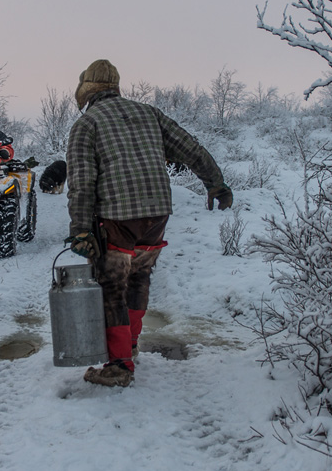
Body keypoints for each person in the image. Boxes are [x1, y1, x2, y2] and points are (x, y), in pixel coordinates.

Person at [64, 59, 233, 388]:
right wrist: (216, 183)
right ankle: (130, 345)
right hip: (156, 214)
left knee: (111, 286)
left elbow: (82, 183)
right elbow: (191, 149)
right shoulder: (149, 114)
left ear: (86, 90)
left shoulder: (87, 124)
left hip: (116, 218)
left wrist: (81, 230)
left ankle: (119, 366)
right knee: (138, 277)